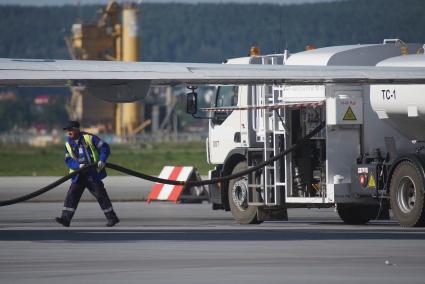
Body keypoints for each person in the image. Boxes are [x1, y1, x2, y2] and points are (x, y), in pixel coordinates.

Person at [55, 121, 120, 227]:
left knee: (100, 195)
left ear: (76, 129)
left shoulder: (89, 138)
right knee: (72, 195)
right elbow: (68, 160)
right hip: (78, 175)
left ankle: (112, 218)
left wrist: (102, 160)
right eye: (67, 131)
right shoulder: (67, 144)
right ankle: (65, 219)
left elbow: (105, 148)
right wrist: (77, 166)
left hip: (92, 173)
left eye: (70, 130)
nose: (68, 133)